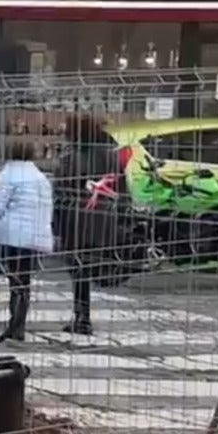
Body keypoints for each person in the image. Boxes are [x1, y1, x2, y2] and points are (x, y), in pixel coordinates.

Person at [52, 115, 125, 336]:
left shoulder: (69, 157)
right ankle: (84, 314)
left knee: (79, 270)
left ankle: (82, 316)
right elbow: (122, 188)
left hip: (77, 221)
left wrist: (57, 225)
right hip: (104, 219)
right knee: (93, 264)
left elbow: (60, 192)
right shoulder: (112, 156)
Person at [0, 139, 55, 337]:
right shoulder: (41, 177)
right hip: (34, 238)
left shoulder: (8, 174)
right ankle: (17, 326)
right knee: (21, 282)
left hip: (7, 236)